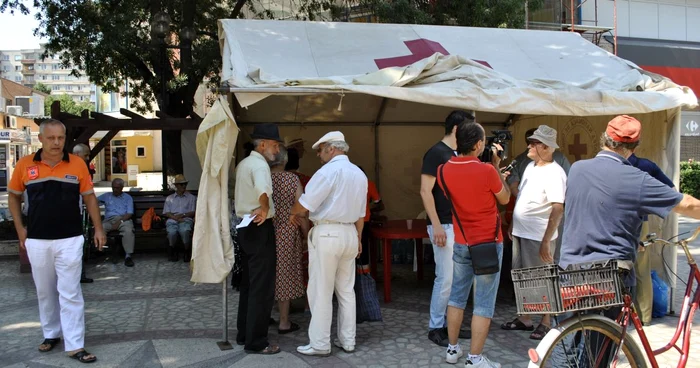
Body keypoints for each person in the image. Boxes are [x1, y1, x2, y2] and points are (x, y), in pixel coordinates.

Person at [553, 115, 700, 365]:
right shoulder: (636, 179)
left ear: (604, 138)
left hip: (570, 271)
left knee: (577, 345)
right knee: (600, 351)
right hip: (609, 276)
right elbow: (686, 203)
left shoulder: (577, 169)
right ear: (634, 147)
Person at [6, 119, 107, 364]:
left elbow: (90, 198)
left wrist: (98, 228)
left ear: (65, 138)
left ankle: (75, 345)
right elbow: (13, 196)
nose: (56, 142)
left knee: (70, 292)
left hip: (70, 239)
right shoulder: (25, 164)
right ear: (40, 139)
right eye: (50, 138)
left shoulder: (77, 165)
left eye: (60, 138)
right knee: (45, 291)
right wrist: (20, 229)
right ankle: (51, 334)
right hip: (38, 240)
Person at [438, 122, 511, 368]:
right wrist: (497, 167)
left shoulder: (442, 171)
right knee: (483, 303)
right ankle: (475, 358)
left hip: (462, 241)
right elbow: (505, 198)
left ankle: (452, 349)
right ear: (479, 145)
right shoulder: (488, 170)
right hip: (489, 243)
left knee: (457, 297)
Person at [291, 131, 367, 356]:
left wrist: (292, 213)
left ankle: (320, 343)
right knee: (346, 291)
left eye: (320, 149)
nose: (318, 153)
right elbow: (361, 214)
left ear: (331, 149)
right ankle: (348, 340)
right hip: (350, 233)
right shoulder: (359, 174)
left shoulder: (326, 172)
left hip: (327, 233)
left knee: (320, 290)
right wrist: (359, 238)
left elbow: (304, 205)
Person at [501, 125, 566, 340]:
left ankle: (546, 321)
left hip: (538, 235)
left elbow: (558, 207)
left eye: (534, 142)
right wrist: (513, 223)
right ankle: (525, 318)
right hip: (522, 231)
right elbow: (522, 197)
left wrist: (547, 240)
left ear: (546, 147)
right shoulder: (530, 166)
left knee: (542, 278)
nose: (529, 145)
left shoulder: (555, 172)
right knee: (522, 277)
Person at [420, 110, 473, 346]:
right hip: (445, 224)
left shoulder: (454, 154)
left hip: (458, 225)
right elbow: (425, 190)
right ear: (456, 129)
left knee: (458, 279)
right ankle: (436, 326)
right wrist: (437, 225)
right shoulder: (436, 153)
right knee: (446, 278)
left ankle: (451, 323)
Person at [233, 123, 282, 355]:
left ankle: (244, 334)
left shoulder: (244, 163)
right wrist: (264, 209)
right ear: (262, 144)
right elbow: (264, 191)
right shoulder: (260, 165)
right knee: (261, 288)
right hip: (259, 225)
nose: (277, 150)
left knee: (249, 285)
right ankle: (256, 342)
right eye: (274, 145)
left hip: (245, 227)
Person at [628, 152, 674, 326]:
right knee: (641, 271)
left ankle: (631, 317)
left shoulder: (643, 165)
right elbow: (670, 190)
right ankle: (643, 317)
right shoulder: (646, 165)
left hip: (620, 222)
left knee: (627, 270)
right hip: (639, 221)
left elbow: (670, 190)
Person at [270, 146, 308, 334]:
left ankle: (265, 315)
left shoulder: (263, 178)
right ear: (284, 161)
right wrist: (306, 233)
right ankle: (284, 322)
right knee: (284, 277)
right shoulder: (292, 179)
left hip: (266, 233)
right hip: (287, 234)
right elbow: (301, 210)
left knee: (267, 276)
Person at [98, 178, 136, 267]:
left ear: (122, 188)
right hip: (108, 220)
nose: (115, 189)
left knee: (128, 230)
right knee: (100, 228)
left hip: (123, 219)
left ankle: (128, 256)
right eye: (113, 187)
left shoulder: (127, 198)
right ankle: (100, 250)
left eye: (117, 188)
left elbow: (129, 213)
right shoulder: (106, 196)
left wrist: (119, 222)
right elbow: (93, 201)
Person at [71, 143, 94, 283]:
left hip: (77, 213)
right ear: (78, 154)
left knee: (78, 245)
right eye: (86, 155)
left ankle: (80, 274)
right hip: (68, 215)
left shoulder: (81, 169)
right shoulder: (68, 167)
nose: (88, 158)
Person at [162, 175, 196, 262]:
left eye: (185, 184)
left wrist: (183, 215)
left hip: (186, 219)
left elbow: (193, 212)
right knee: (171, 232)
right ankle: (173, 250)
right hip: (173, 219)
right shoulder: (169, 198)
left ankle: (186, 251)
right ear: (176, 186)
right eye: (181, 184)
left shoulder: (191, 198)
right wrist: (176, 218)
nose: (183, 186)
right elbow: (167, 212)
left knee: (184, 231)